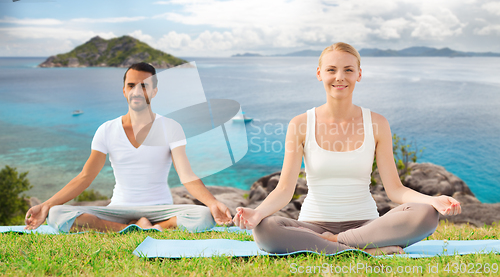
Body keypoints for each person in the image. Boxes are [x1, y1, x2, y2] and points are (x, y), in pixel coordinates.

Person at [233, 42, 462, 255]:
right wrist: (258, 213)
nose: (340, 77)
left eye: (348, 70)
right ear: (319, 73)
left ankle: (335, 246)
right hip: (313, 225)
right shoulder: (300, 124)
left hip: (367, 225)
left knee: (426, 215)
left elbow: (395, 190)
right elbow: (284, 190)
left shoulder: (378, 123)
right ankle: (364, 250)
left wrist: (432, 200)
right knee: (266, 230)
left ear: (359, 75)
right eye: (331, 70)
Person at [25, 62, 232, 233]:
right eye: (131, 85)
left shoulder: (171, 127)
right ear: (124, 90)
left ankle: (151, 226)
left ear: (154, 91)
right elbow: (85, 177)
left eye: (144, 86)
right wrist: (46, 205)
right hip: (118, 208)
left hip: (161, 208)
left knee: (204, 215)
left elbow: (186, 175)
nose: (137, 91)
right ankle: (133, 228)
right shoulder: (106, 130)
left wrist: (213, 203)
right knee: (57, 214)